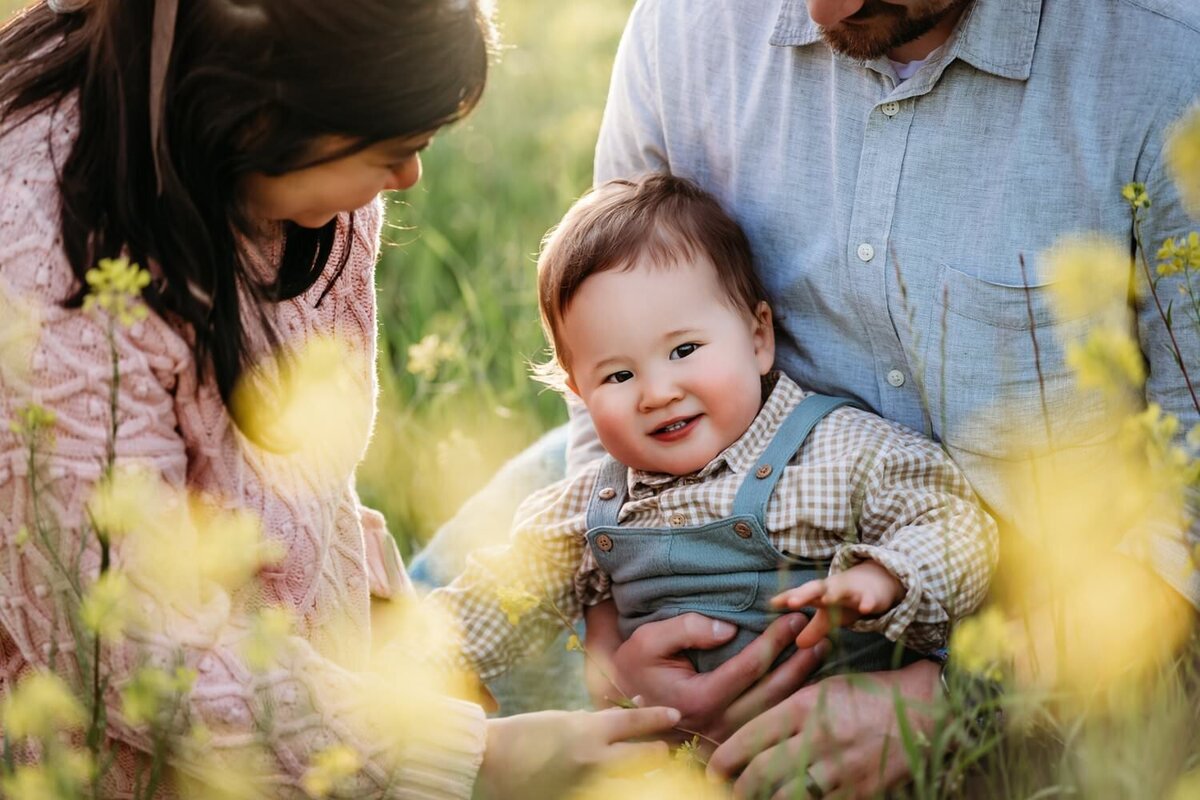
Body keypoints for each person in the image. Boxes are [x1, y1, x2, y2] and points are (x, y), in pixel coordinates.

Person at [0, 0, 681, 797]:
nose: (408, 178)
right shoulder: (46, 271)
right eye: (391, 147)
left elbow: (304, 492)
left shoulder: (304, 170)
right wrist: (470, 758)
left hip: (318, 719)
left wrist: (398, 646)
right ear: (258, 103)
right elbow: (130, 643)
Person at [573, 0, 1200, 796]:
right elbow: (601, 344)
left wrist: (966, 699)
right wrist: (614, 645)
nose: (821, 9)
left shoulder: (1172, 61)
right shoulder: (681, 29)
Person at [432, 174, 996, 695]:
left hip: (836, 751)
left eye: (684, 350)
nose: (657, 392)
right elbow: (501, 591)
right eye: (618, 375)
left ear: (757, 340)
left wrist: (887, 576)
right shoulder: (592, 506)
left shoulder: (835, 454)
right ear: (578, 393)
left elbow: (952, 521)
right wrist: (432, 664)